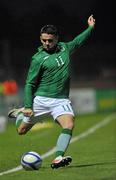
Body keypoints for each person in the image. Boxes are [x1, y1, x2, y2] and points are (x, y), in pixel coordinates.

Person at [8, 15, 95, 169]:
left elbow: (78, 41)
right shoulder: (38, 59)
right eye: (43, 40)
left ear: (57, 39)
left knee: (69, 124)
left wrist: (90, 28)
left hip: (60, 101)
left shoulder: (65, 48)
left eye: (50, 40)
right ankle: (21, 113)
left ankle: (57, 158)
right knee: (21, 131)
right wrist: (28, 106)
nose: (47, 43)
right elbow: (29, 84)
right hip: (40, 100)